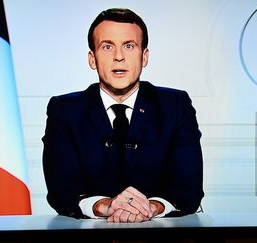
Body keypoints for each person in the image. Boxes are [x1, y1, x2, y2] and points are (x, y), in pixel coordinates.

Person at [42, 8, 204, 223]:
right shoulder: (64, 109)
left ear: (144, 56)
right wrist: (106, 206)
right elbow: (60, 191)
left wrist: (151, 207)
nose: (119, 57)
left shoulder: (176, 105)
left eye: (129, 46)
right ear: (92, 59)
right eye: (107, 47)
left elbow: (189, 188)